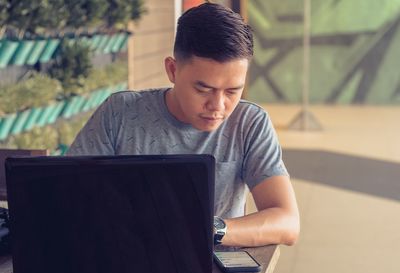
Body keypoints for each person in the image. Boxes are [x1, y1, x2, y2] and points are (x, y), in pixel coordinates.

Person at [67, 2, 300, 247]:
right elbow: (68, 195)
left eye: (233, 91)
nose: (218, 105)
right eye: (203, 89)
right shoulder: (120, 113)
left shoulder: (249, 123)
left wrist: (208, 229)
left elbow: (287, 223)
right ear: (172, 70)